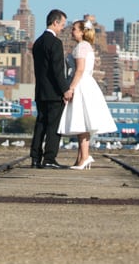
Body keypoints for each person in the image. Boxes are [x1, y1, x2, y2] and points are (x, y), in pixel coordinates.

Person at [58, 19, 117, 170]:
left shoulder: (81, 47)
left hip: (81, 84)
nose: (71, 31)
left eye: (74, 29)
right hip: (88, 84)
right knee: (82, 122)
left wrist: (70, 88)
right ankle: (81, 158)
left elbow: (79, 70)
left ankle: (84, 157)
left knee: (81, 122)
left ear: (82, 32)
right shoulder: (87, 46)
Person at [29, 9, 74, 169]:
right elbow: (57, 71)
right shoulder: (55, 43)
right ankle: (49, 158)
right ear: (55, 23)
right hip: (54, 93)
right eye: (62, 24)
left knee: (40, 124)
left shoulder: (38, 43)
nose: (63, 28)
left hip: (40, 91)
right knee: (54, 126)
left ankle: (35, 158)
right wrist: (65, 90)